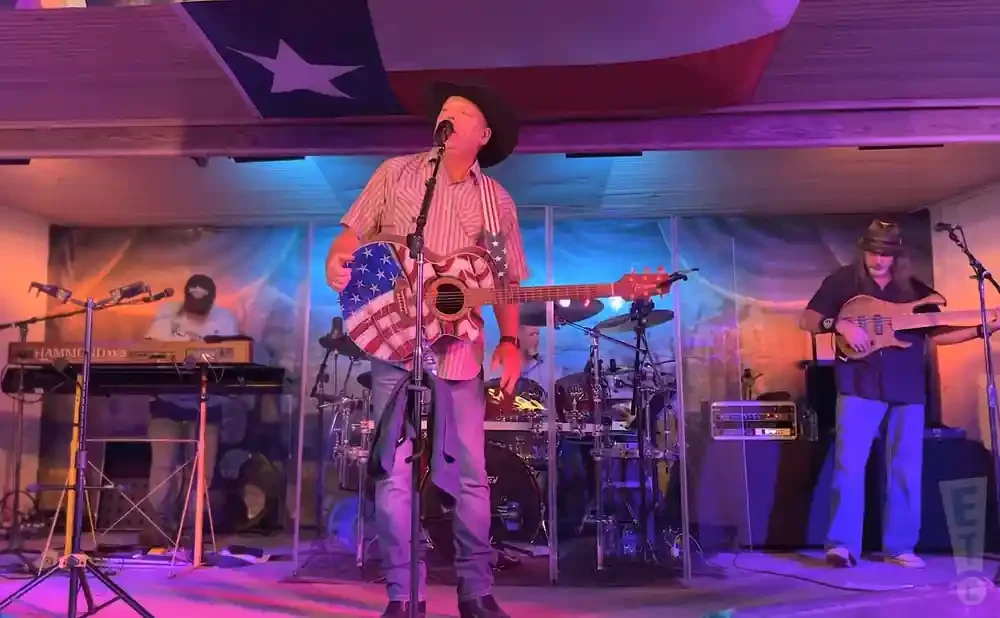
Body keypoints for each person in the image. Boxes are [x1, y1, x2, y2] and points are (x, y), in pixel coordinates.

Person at [325, 82, 526, 618]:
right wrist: (336, 258)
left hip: (460, 348)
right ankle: (402, 594)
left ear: (483, 134)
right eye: (444, 108)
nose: (448, 113)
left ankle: (476, 591)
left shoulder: (497, 202)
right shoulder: (395, 173)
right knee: (394, 471)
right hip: (395, 341)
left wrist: (510, 341)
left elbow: (505, 281)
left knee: (470, 474)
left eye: (461, 111)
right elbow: (351, 235)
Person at [799, 219, 998, 569]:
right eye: (873, 252)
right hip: (858, 384)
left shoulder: (915, 290)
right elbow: (808, 319)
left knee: (905, 469)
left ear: (897, 256)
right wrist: (838, 324)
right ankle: (842, 545)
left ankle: (900, 546)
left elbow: (936, 333)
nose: (878, 260)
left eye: (886, 254)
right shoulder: (842, 281)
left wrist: (981, 330)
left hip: (907, 388)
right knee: (849, 466)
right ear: (864, 251)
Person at [140, 274, 240, 546]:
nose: (197, 310)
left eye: (203, 304)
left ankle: (194, 528)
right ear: (185, 297)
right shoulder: (167, 314)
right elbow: (150, 351)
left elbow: (233, 356)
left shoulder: (224, 319)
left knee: (203, 470)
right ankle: (158, 527)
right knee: (163, 467)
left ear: (212, 301)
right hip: (166, 402)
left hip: (209, 403)